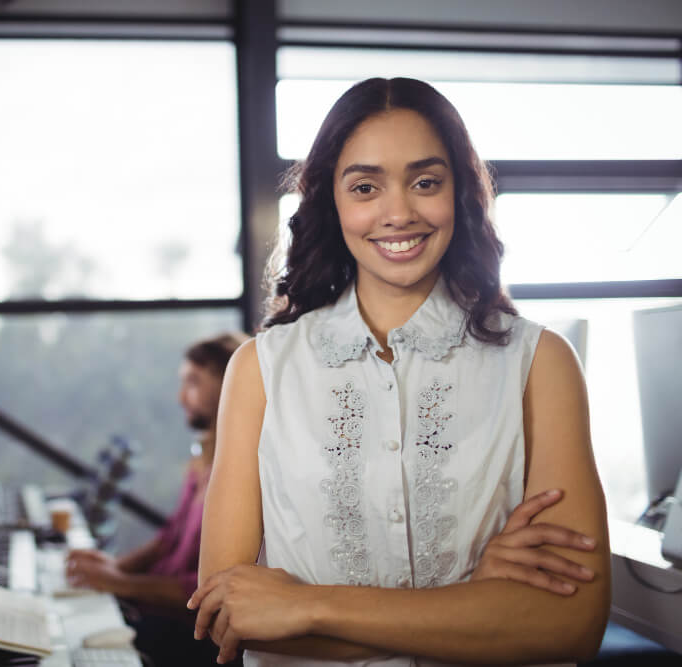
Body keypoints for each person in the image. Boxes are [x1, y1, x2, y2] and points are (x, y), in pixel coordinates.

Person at [190, 77, 610, 666]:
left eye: (425, 182)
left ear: (460, 193)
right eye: (365, 187)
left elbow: (572, 623)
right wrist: (476, 605)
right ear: (331, 202)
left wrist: (307, 605)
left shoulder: (540, 362)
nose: (398, 213)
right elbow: (228, 614)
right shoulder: (261, 370)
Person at [66, 331, 249, 665]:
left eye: (193, 382)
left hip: (192, 633)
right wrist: (115, 568)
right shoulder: (201, 461)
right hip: (157, 609)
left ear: (229, 383)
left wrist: (123, 584)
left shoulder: (245, 469)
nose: (181, 398)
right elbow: (168, 538)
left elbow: (210, 587)